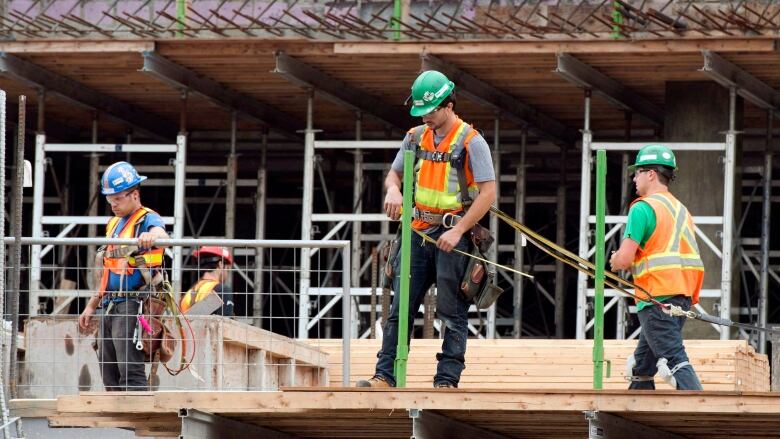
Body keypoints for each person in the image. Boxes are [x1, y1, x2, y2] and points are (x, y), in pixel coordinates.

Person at [356, 70, 496, 388]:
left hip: (452, 236)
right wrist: (393, 190)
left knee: (452, 310)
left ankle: (446, 380)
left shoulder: (472, 142)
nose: (426, 118)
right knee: (399, 309)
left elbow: (488, 194)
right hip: (417, 233)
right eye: (421, 112)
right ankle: (385, 375)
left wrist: (459, 229)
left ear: (448, 105)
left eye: (430, 111)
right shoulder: (414, 137)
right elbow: (394, 176)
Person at [609, 145, 705, 390]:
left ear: (650, 174)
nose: (634, 178)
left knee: (673, 361)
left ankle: (703, 412)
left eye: (638, 172)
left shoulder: (643, 207)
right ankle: (636, 418)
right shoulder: (680, 209)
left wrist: (614, 260)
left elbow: (625, 259)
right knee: (641, 367)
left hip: (657, 298)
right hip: (681, 297)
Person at [78, 161, 169, 391]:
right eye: (110, 200)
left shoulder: (147, 218)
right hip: (110, 304)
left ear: (134, 194)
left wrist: (151, 236)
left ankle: (140, 418)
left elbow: (162, 234)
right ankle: (123, 421)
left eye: (117, 199)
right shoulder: (114, 225)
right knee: (109, 373)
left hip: (132, 303)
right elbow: (109, 270)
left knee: (131, 371)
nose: (113, 205)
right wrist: (91, 305)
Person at [181, 246, 235, 317]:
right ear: (220, 264)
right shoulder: (222, 290)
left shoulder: (189, 293)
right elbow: (226, 325)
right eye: (227, 269)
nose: (227, 274)